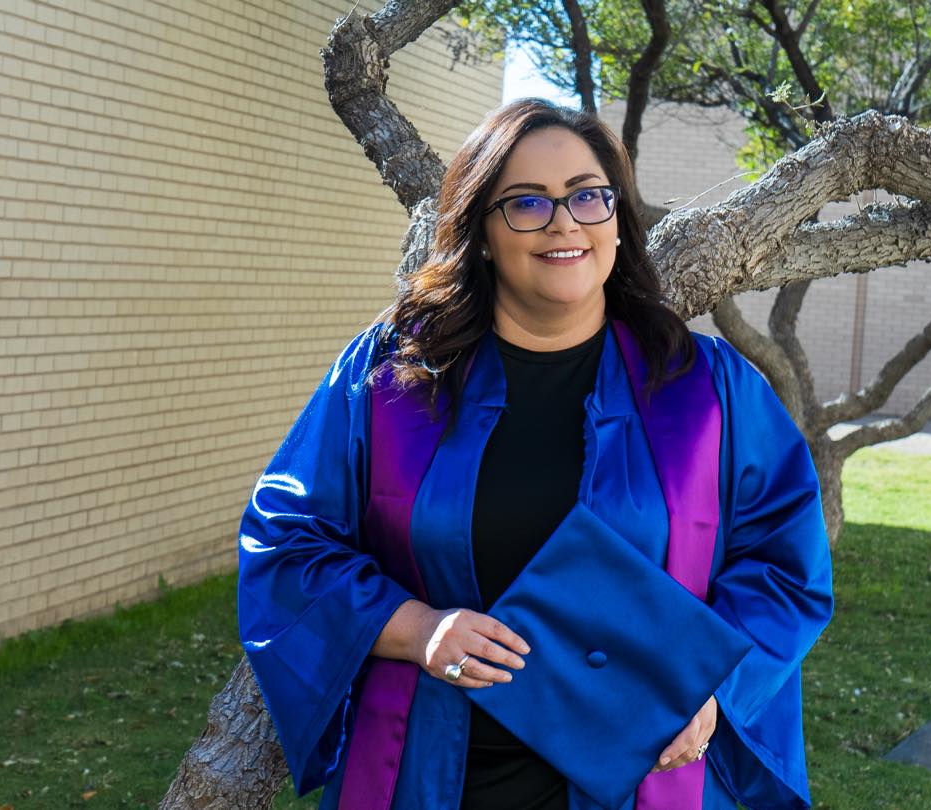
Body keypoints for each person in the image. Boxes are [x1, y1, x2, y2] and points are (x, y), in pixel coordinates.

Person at [237, 98, 833, 810]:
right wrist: (417, 628)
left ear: (616, 220)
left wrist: (710, 684)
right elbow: (285, 540)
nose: (564, 223)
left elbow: (785, 564)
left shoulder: (707, 389)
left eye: (588, 196)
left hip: (642, 771)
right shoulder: (393, 378)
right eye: (527, 203)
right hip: (426, 771)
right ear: (483, 232)